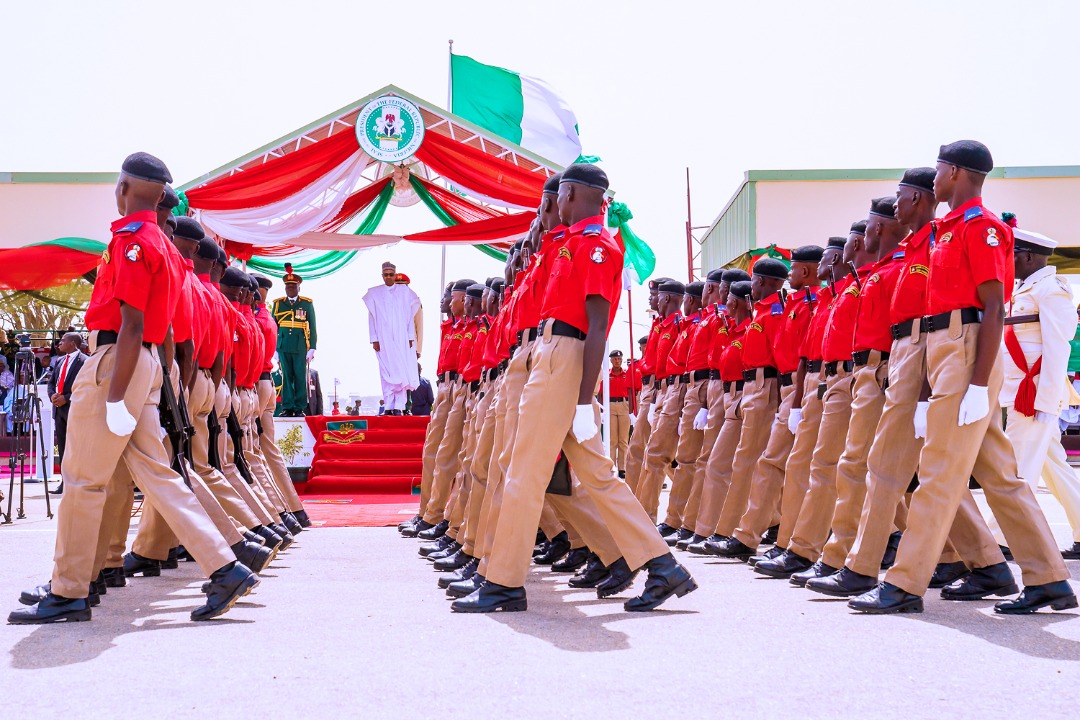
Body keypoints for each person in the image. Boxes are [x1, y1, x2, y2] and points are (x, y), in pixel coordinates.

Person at [9, 152, 257, 625]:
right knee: (159, 475)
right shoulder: (162, 243)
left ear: (124, 188)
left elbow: (130, 321)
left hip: (116, 362)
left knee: (83, 479)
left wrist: (118, 394)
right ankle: (226, 567)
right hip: (143, 363)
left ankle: (68, 591)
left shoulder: (131, 240)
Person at [451, 163, 696, 614]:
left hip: (567, 356)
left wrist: (584, 401)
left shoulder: (599, 246)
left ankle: (503, 581)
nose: (555, 204)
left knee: (523, 471)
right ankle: (663, 567)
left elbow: (598, 329)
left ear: (576, 194)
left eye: (560, 195)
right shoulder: (566, 244)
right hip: (551, 353)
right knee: (596, 474)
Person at [850, 140, 1075, 615]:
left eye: (937, 171)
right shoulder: (943, 230)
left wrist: (976, 385)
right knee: (1000, 475)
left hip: (969, 346)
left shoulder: (984, 228)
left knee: (937, 472)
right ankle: (1050, 578)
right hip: (942, 348)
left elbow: (993, 308)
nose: (933, 181)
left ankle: (904, 584)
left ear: (955, 172)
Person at [995, 223, 1080, 559]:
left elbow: (1057, 350)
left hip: (1032, 399)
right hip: (1020, 394)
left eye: (1011, 254)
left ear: (1027, 256)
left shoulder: (1052, 289)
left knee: (1017, 470)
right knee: (1055, 469)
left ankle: (1000, 541)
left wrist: (1044, 403)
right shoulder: (1025, 288)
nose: (1006, 260)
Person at [363, 262, 421, 415]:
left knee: (401, 371)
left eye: (391, 274)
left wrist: (410, 337)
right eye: (386, 274)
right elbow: (372, 318)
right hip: (383, 338)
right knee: (386, 371)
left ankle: (400, 406)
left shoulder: (404, 292)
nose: (388, 277)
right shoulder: (375, 294)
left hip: (401, 338)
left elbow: (410, 318)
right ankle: (388, 405)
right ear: (382, 276)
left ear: (395, 275)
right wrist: (374, 339)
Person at [271, 263, 316, 417]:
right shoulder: (278, 304)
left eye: (293, 287)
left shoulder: (306, 303)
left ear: (299, 288)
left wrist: (312, 348)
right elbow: (273, 328)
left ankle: (299, 408)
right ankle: (288, 407)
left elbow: (313, 326)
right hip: (283, 346)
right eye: (288, 287)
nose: (290, 289)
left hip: (300, 346)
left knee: (299, 376)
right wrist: (274, 349)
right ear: (285, 288)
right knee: (286, 377)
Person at [47, 332, 87, 495]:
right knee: (63, 447)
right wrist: (52, 396)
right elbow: (51, 383)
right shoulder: (60, 361)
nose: (59, 343)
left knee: (78, 447)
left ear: (73, 344)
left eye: (63, 341)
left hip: (76, 409)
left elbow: (86, 387)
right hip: (59, 410)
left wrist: (67, 398)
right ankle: (65, 483)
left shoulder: (86, 362)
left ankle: (81, 482)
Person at [605, 349, 631, 477]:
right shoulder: (606, 374)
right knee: (612, 439)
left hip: (624, 405)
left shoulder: (626, 373)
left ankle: (622, 468)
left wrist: (632, 409)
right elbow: (601, 392)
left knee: (623, 440)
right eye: (615, 359)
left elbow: (632, 391)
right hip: (610, 405)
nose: (617, 361)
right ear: (611, 360)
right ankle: (611, 466)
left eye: (619, 359)